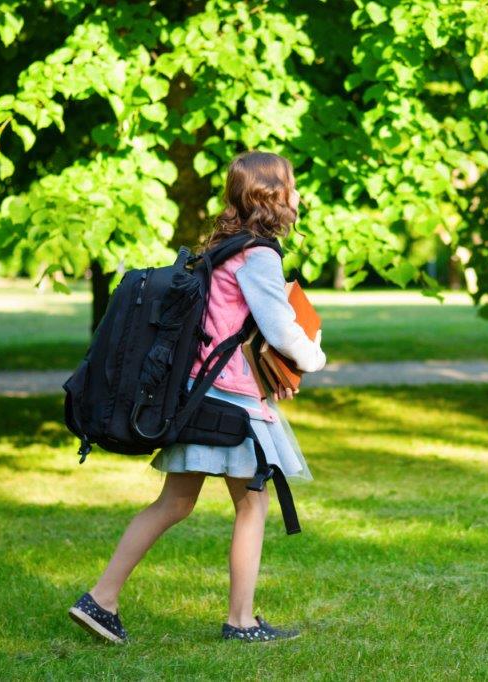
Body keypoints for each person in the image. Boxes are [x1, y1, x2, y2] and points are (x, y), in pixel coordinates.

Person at [67, 151, 326, 645]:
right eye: (291, 185)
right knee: (252, 505)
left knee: (175, 503)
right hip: (229, 400)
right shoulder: (260, 254)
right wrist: (313, 356)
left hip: (197, 392)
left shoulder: (226, 246)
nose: (297, 194)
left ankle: (100, 600)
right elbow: (279, 328)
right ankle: (241, 621)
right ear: (270, 194)